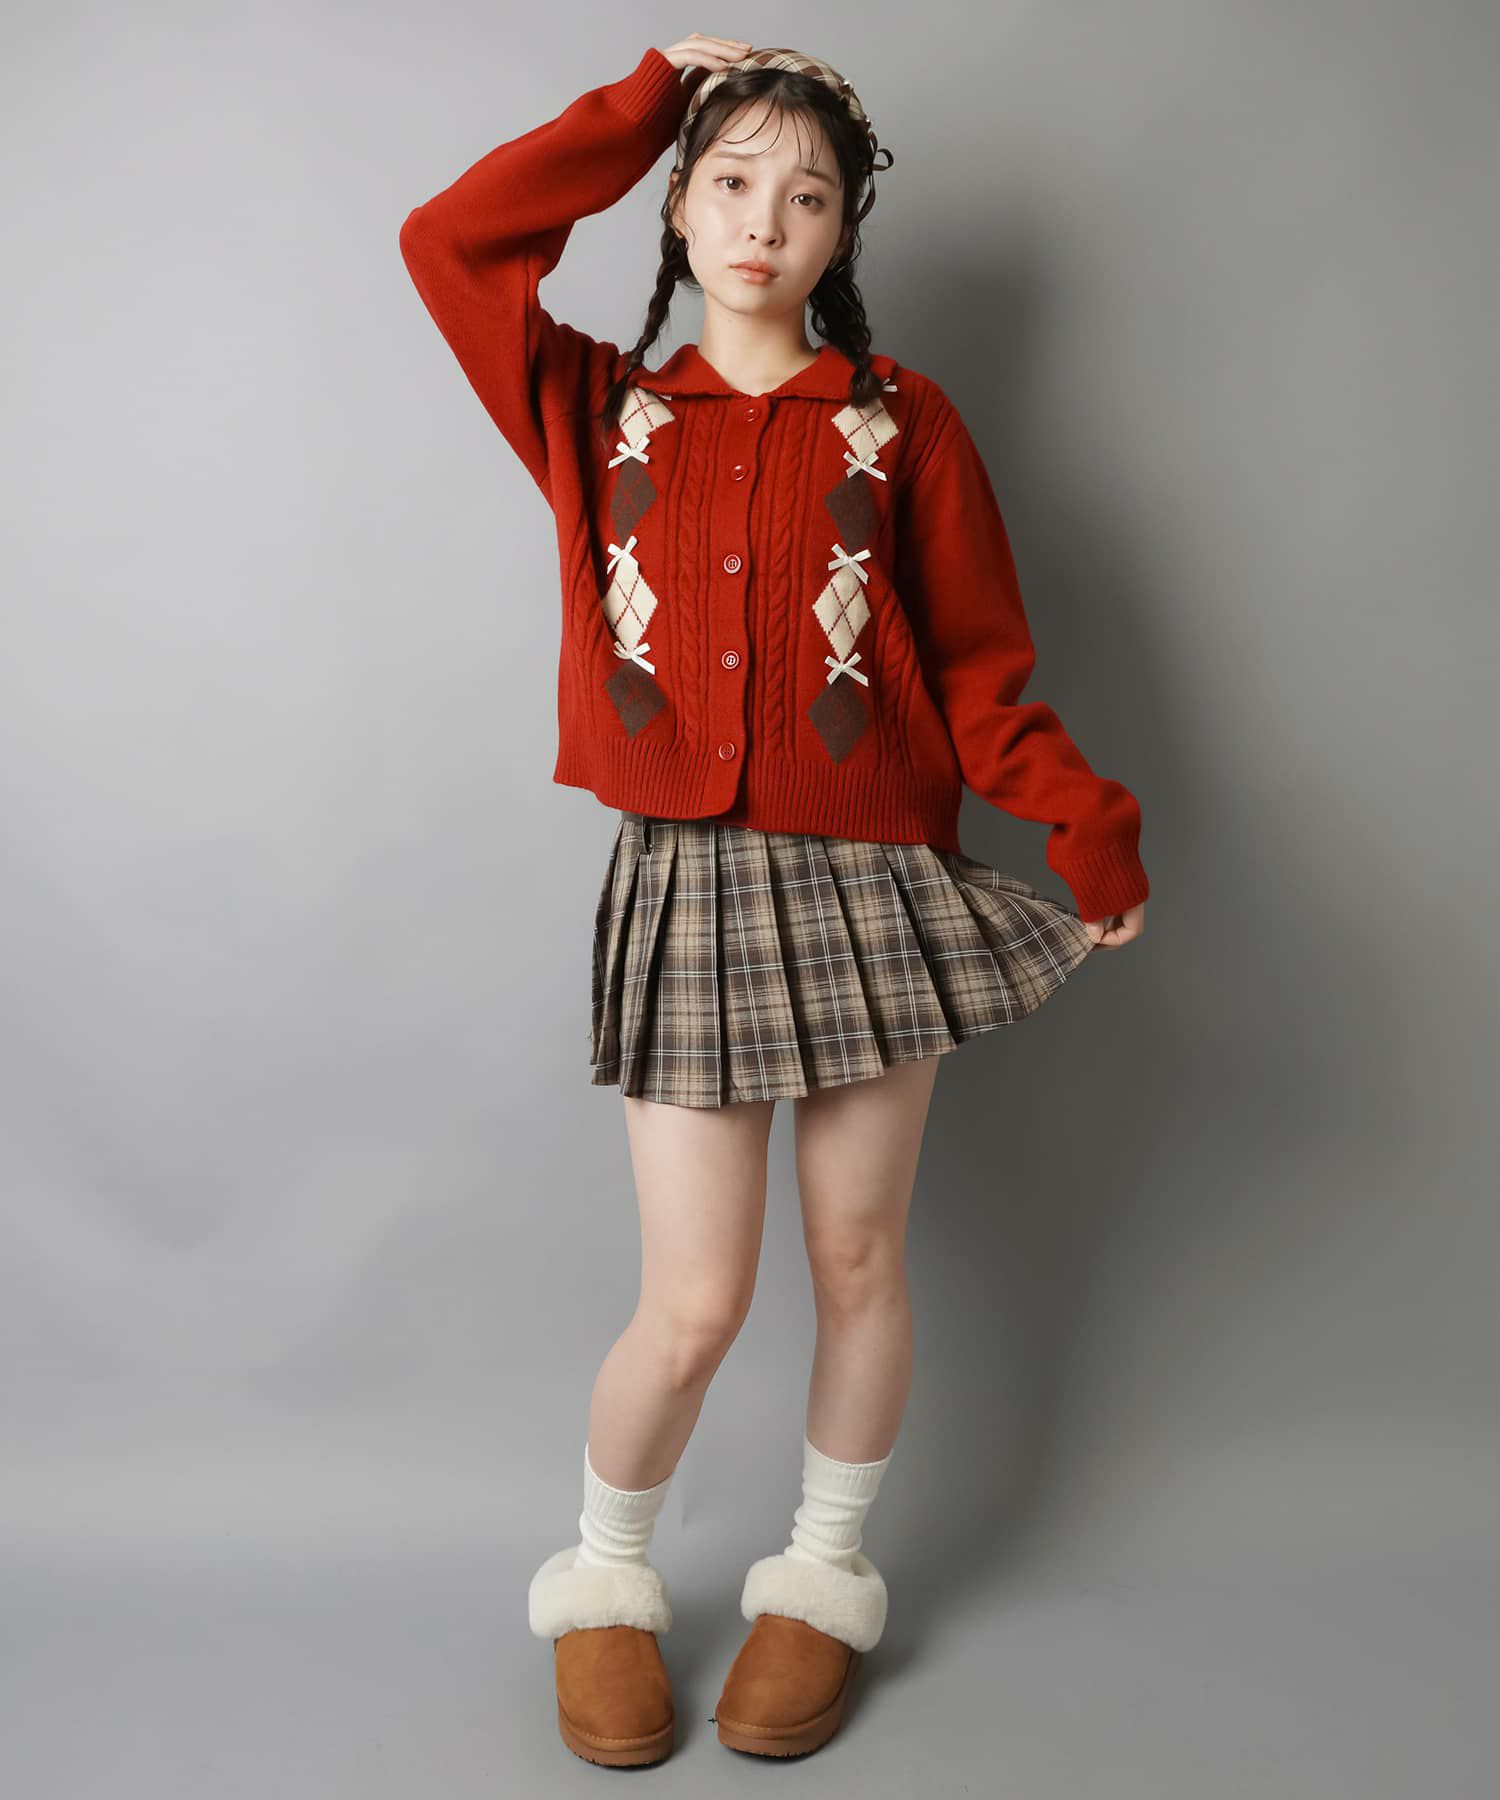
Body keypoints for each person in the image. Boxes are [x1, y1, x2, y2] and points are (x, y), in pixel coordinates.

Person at [399, 33, 1149, 1765]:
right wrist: (645, 96)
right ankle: (606, 1580)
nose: (763, 222)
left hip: (877, 883)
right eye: (731, 183)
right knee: (695, 1305)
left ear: (843, 233)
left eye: (806, 197)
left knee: (860, 1256)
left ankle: (820, 1577)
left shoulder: (903, 427)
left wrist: (1088, 829)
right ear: (676, 205)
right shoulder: (597, 408)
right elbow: (451, 242)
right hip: (689, 887)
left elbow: (982, 673)